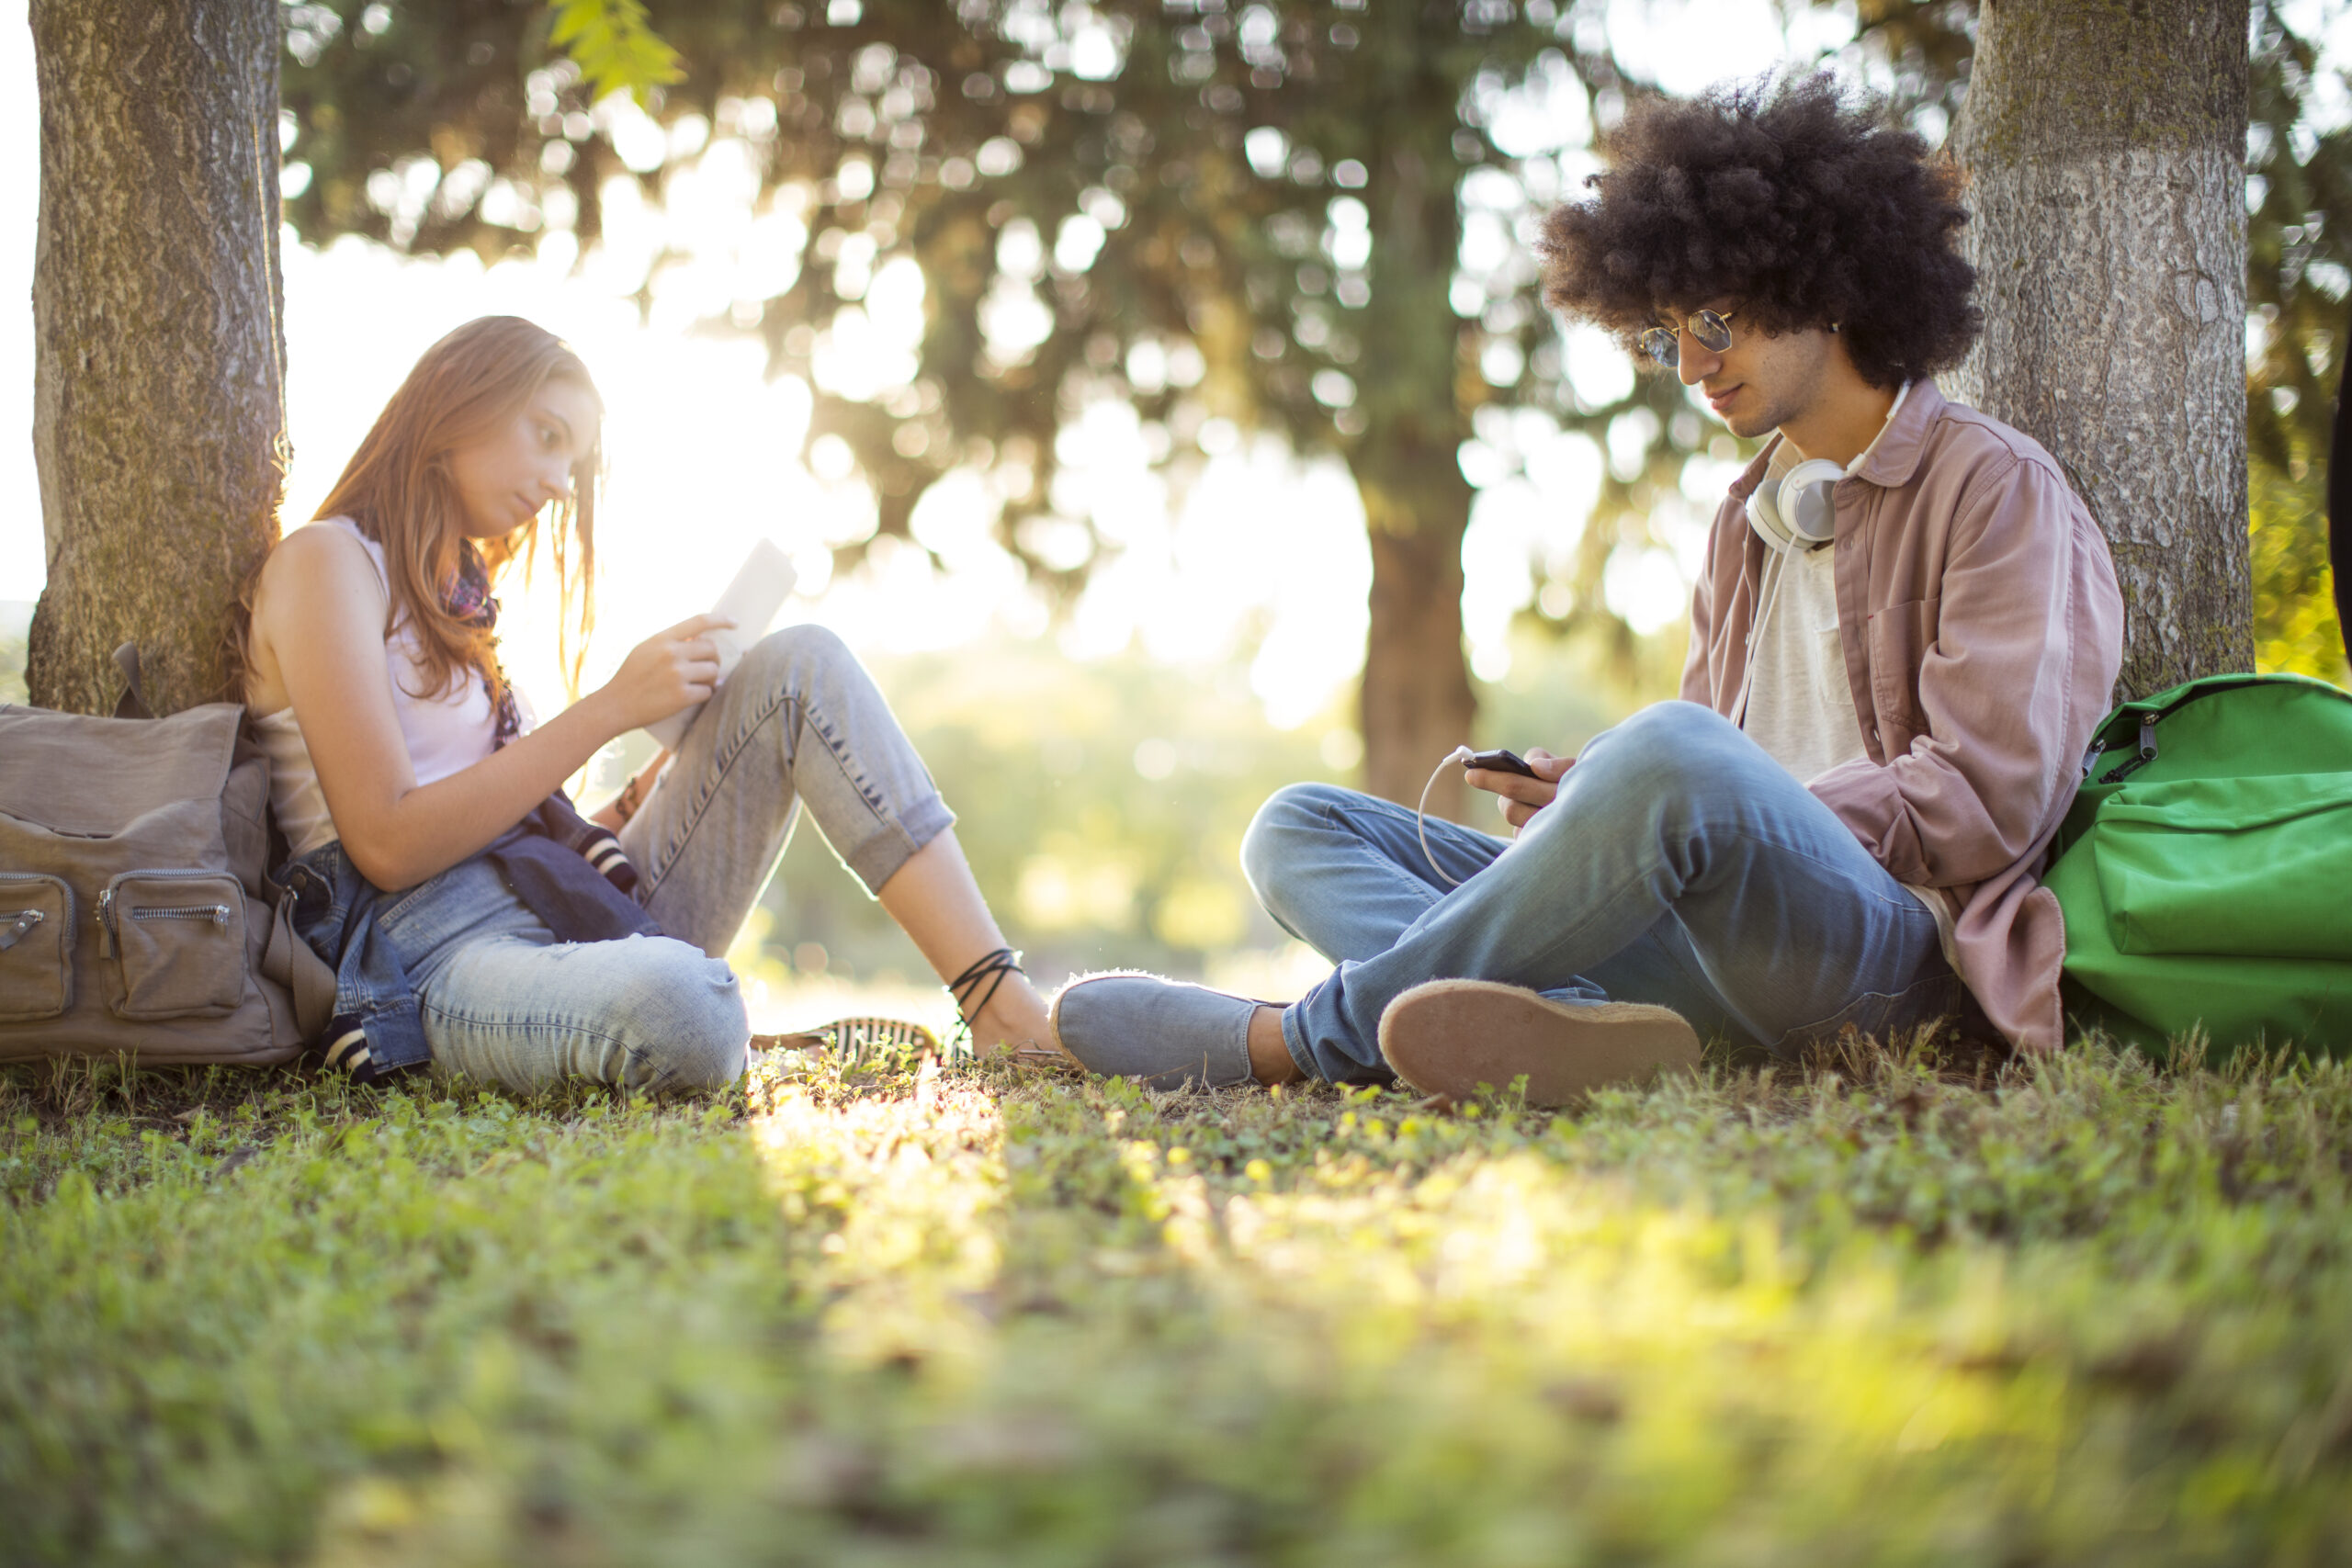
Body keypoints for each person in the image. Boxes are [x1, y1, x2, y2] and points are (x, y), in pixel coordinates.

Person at [1046, 74, 2124, 1103]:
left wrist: (1702, 794)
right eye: (1665, 338)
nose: (1694, 367)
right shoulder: (1743, 522)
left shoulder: (1994, 488)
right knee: (1301, 826)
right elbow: (1698, 770)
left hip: (1895, 961)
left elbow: (1987, 799)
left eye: (1716, 320)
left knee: (1668, 754)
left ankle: (1303, 1038)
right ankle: (1577, 1021)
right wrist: (1597, 807)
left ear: (1824, 283)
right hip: (1718, 945)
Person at [240, 315, 1054, 1093]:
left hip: (554, 899)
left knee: (800, 664)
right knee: (687, 1009)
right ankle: (715, 1014)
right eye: (549, 437)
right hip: (426, 950)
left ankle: (1003, 1009)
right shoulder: (327, 563)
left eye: (574, 461)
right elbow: (385, 841)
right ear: (459, 399)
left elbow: (505, 823)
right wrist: (608, 708)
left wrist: (639, 793)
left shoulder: (458, 595)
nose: (561, 484)